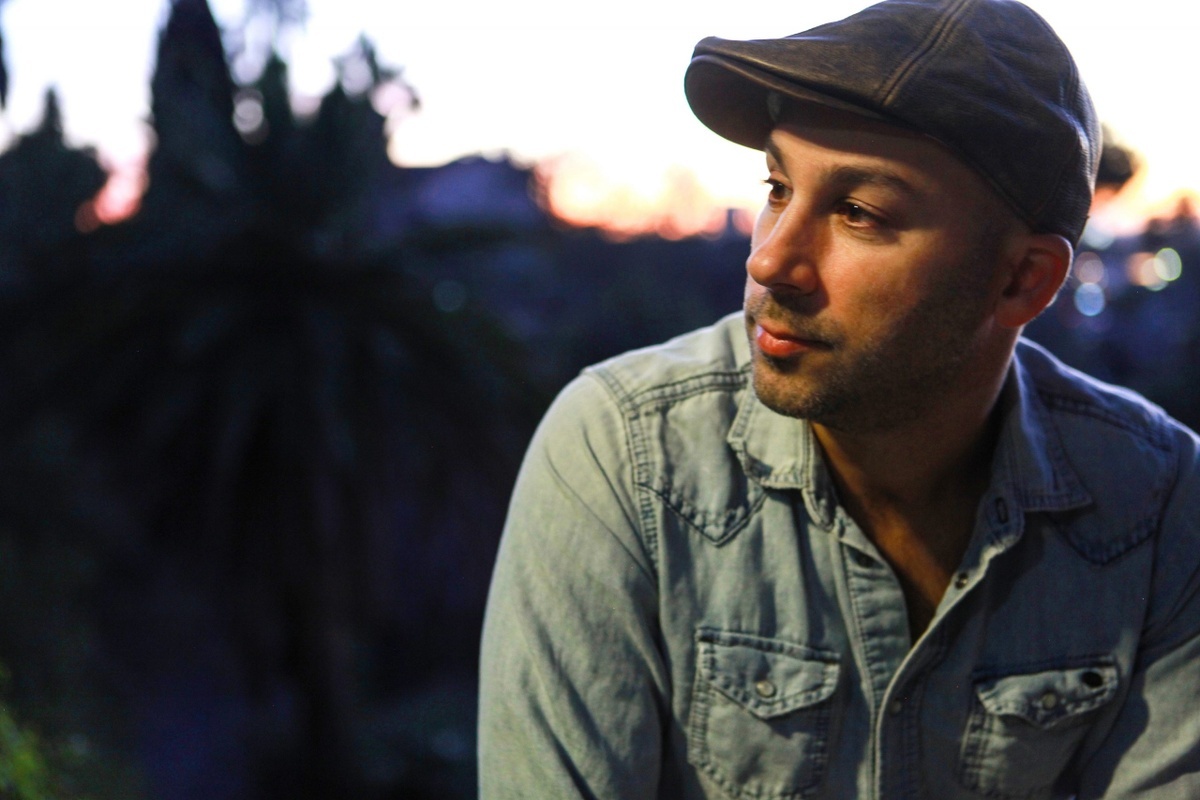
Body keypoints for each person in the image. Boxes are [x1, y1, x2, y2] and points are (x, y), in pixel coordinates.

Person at [477, 0, 1200, 797]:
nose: (769, 261)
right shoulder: (624, 453)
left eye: (859, 212)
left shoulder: (1159, 501)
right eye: (777, 186)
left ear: (1022, 280)